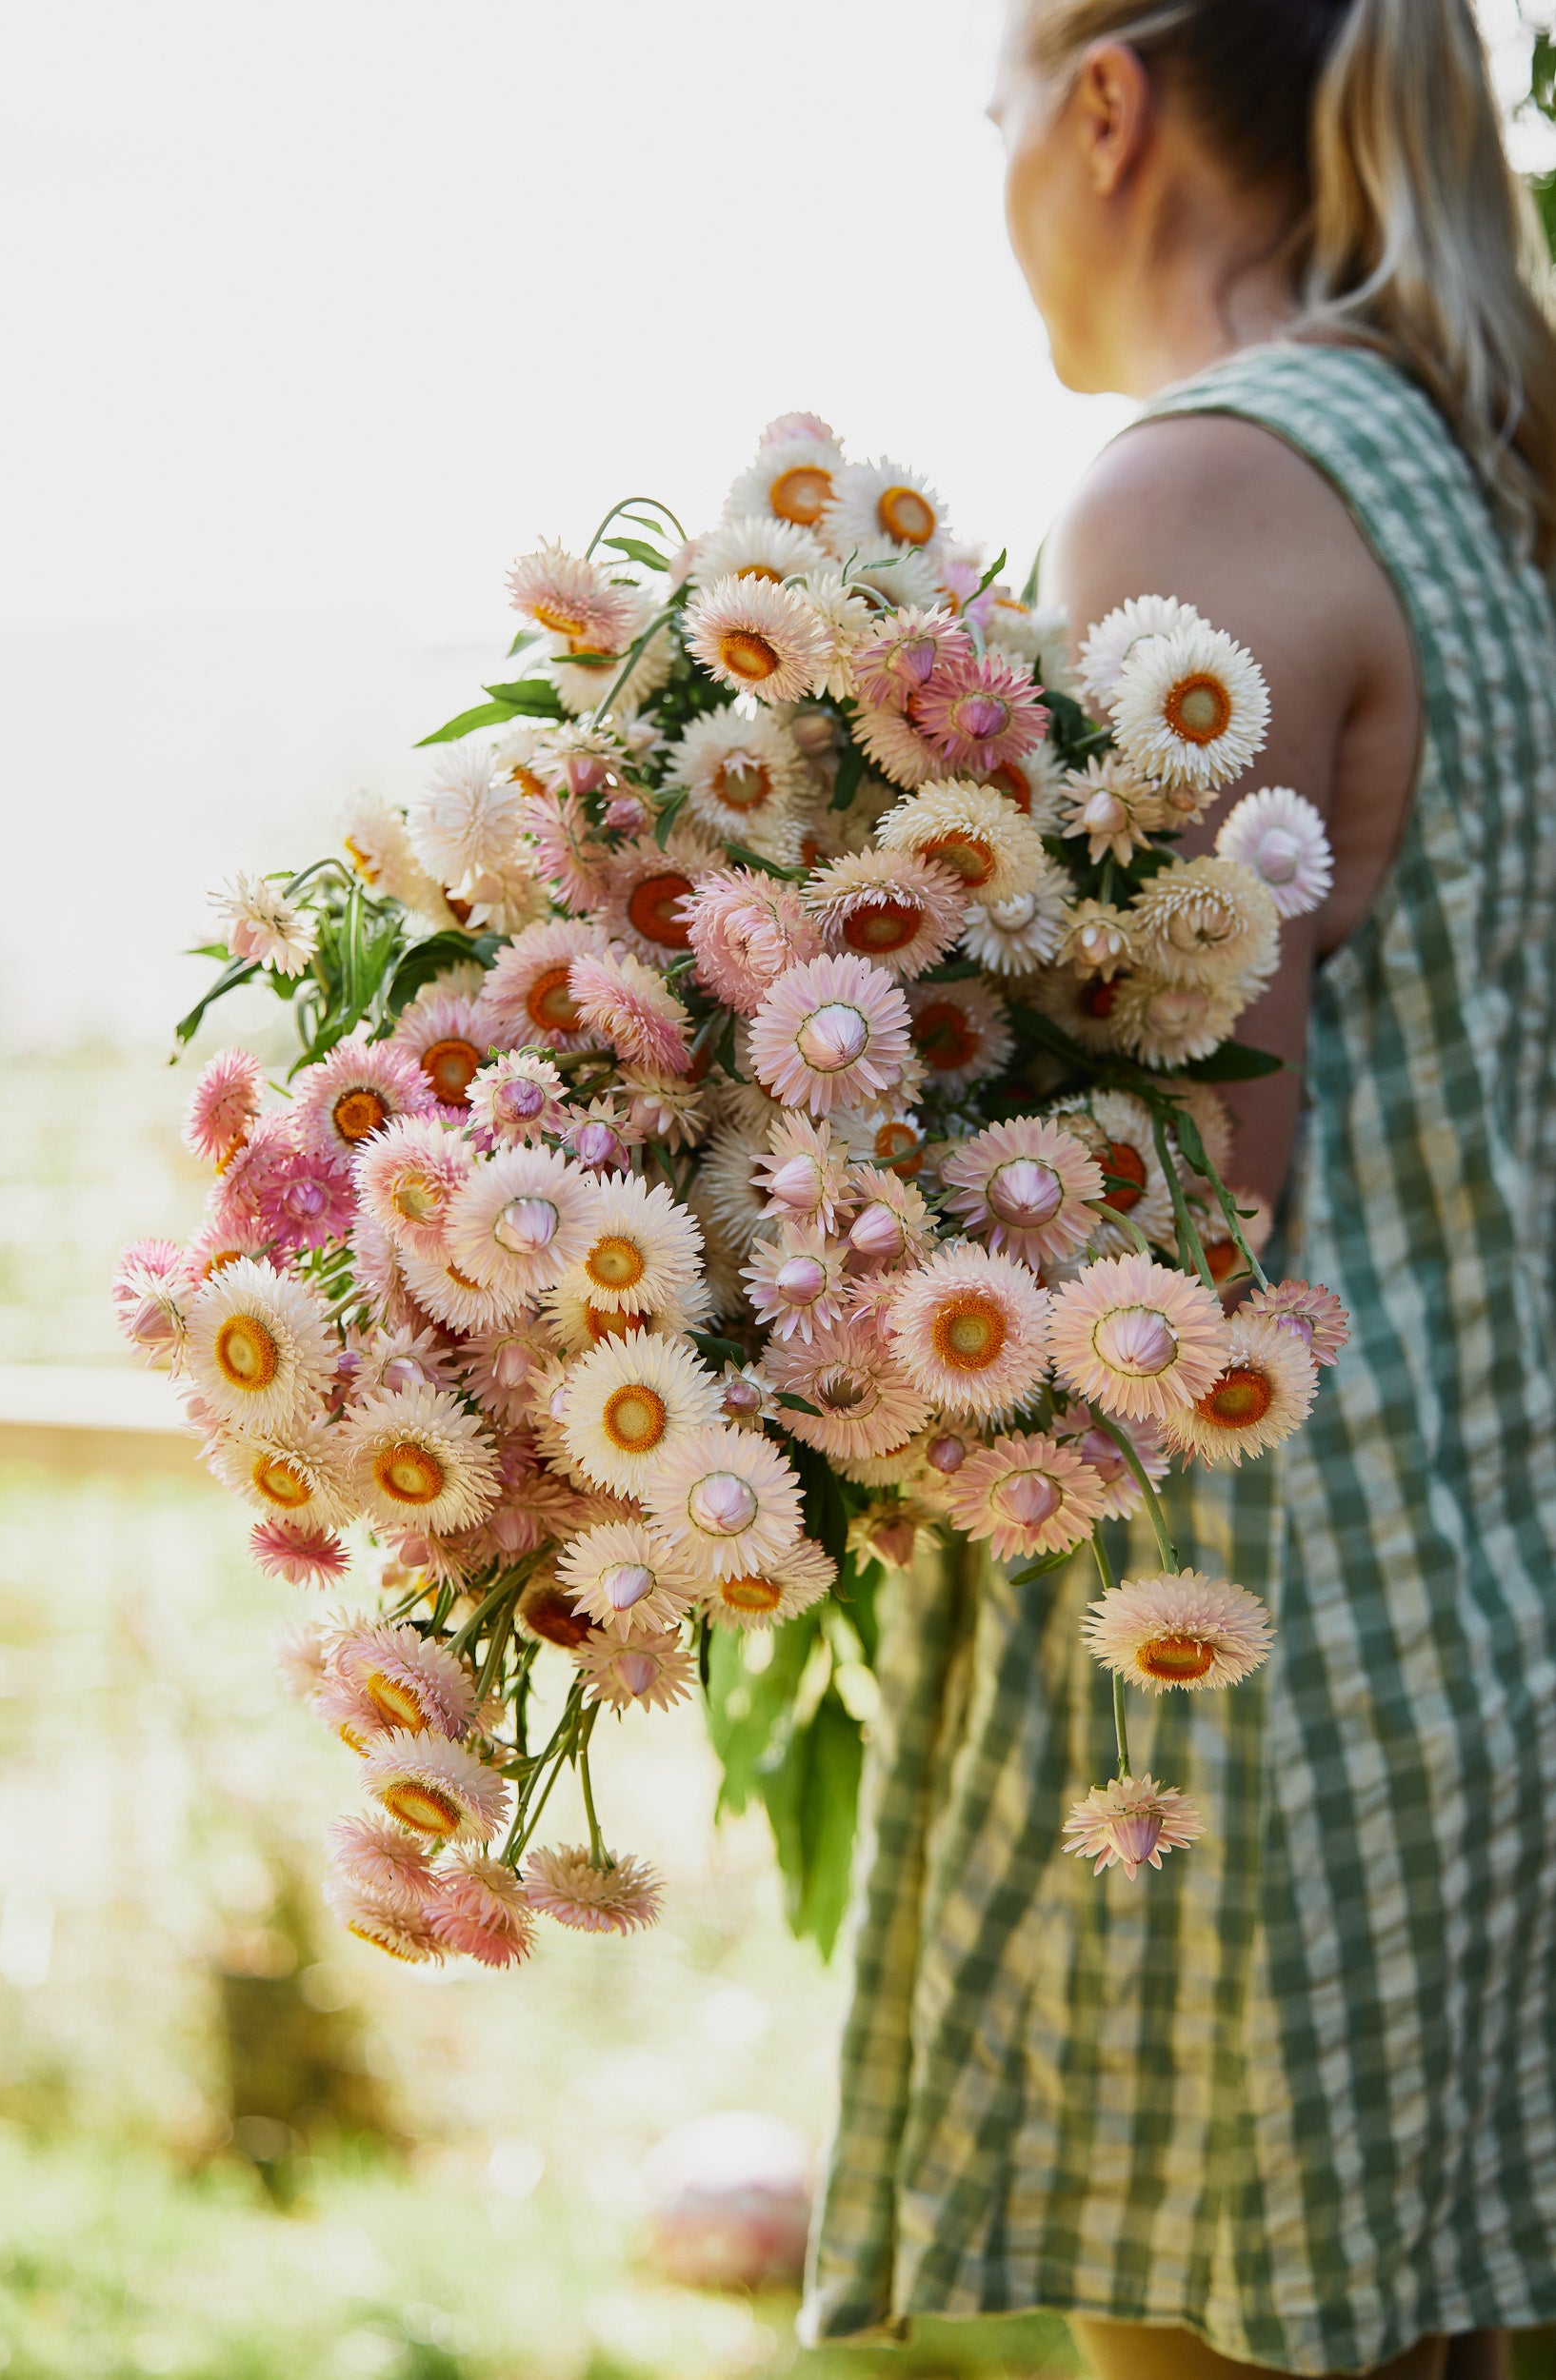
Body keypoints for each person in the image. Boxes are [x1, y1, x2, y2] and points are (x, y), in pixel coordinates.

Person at [801, 5, 1556, 2376]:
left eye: (1004, 107)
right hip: (1475, 1598)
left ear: (1106, 108)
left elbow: (1170, 1236)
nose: (1005, 164)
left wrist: (778, 1217)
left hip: (1246, 1671)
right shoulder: (1470, 459)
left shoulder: (1200, 497)